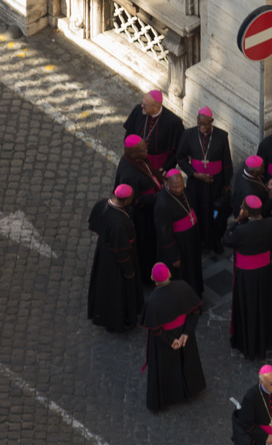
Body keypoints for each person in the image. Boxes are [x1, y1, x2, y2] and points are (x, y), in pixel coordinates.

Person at [139, 262, 205, 412]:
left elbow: (155, 329)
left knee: (166, 371)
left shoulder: (152, 301)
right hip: (184, 335)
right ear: (169, 273)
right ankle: (188, 392)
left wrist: (170, 341)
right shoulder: (183, 287)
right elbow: (194, 311)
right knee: (186, 363)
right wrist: (185, 334)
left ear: (153, 280)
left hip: (165, 340)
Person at [223, 196, 272, 362]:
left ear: (245, 211)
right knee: (264, 305)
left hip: (247, 275)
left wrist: (236, 221)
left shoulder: (240, 231)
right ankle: (266, 340)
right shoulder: (271, 223)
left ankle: (249, 343)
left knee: (249, 308)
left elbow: (226, 240)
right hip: (265, 271)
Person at [174, 106, 233, 252]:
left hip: (216, 183)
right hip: (196, 183)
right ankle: (199, 240)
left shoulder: (222, 136)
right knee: (197, 210)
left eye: (206, 124)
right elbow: (180, 158)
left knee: (216, 212)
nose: (202, 127)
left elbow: (226, 161)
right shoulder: (189, 134)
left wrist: (227, 183)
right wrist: (194, 174)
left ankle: (215, 240)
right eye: (200, 124)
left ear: (211, 121)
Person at [87, 184, 143, 332]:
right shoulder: (118, 223)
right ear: (125, 201)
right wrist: (129, 270)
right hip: (116, 262)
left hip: (104, 251)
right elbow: (122, 253)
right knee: (117, 293)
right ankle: (119, 320)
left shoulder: (102, 204)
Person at [114, 133, 164, 282]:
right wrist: (155, 197)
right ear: (132, 153)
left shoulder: (138, 159)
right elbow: (134, 201)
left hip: (151, 209)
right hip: (143, 218)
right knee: (147, 246)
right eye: (143, 150)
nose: (146, 151)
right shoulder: (128, 172)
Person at [154, 169, 203, 298]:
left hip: (189, 242)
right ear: (168, 184)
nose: (180, 189)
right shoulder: (162, 204)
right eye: (176, 187)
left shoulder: (181, 191)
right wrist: (174, 256)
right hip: (179, 246)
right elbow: (164, 233)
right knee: (184, 274)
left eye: (182, 185)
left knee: (193, 270)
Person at [123, 89, 184, 174]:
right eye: (142, 102)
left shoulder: (173, 122)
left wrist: (167, 167)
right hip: (135, 160)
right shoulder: (138, 111)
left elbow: (178, 150)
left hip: (157, 166)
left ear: (155, 107)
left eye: (145, 105)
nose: (141, 106)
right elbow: (128, 135)